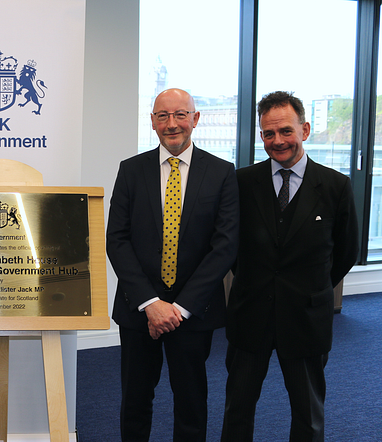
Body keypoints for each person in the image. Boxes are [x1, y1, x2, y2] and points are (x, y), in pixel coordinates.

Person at [221, 91, 359, 442]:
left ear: (305, 129)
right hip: (250, 314)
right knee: (237, 410)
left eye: (285, 131)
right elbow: (229, 246)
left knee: (308, 416)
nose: (277, 141)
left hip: (306, 319)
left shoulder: (336, 186)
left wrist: (310, 288)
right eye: (268, 133)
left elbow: (345, 252)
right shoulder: (241, 182)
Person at [107, 88, 239, 441]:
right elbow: (116, 241)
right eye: (163, 116)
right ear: (152, 122)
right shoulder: (131, 170)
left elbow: (224, 247)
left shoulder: (222, 173)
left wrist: (178, 309)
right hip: (139, 310)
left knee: (192, 401)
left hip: (193, 311)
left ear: (195, 119)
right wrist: (152, 304)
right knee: (135, 399)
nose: (172, 123)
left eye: (180, 114)